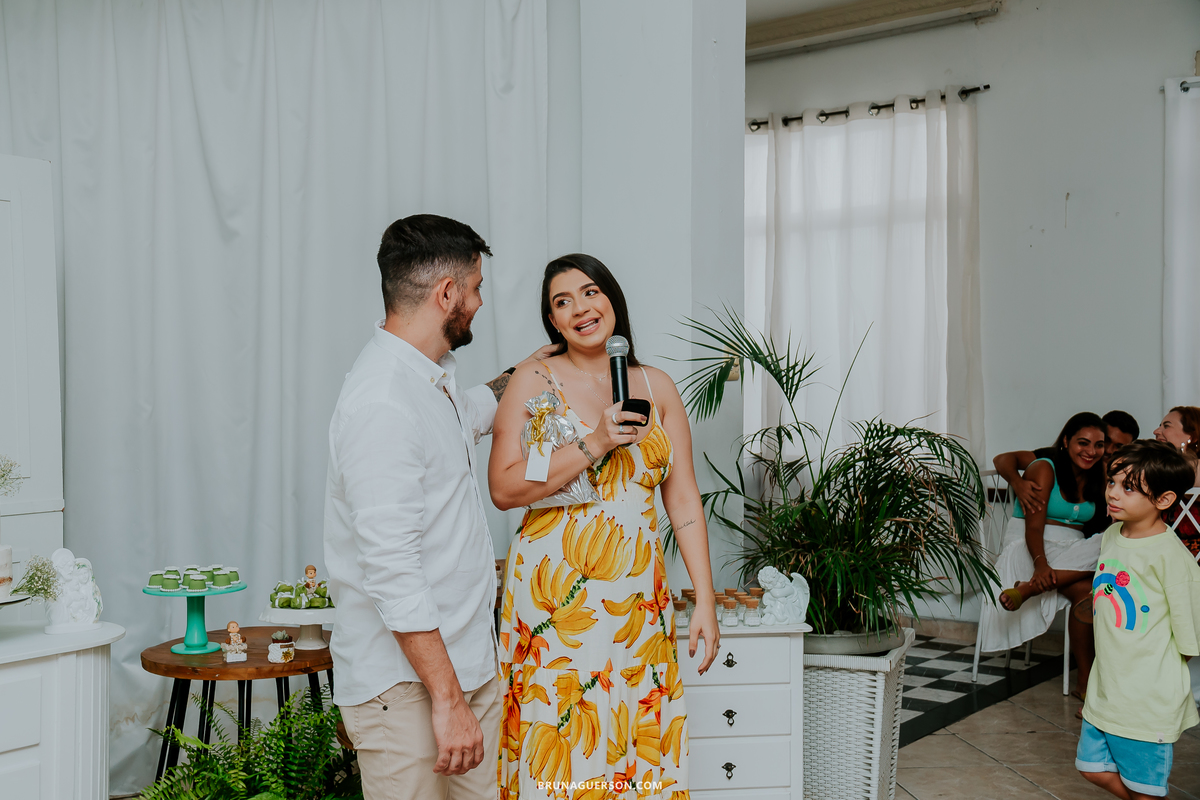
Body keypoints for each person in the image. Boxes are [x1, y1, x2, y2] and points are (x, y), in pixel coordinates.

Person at [322, 214, 554, 800]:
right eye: (475, 288)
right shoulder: (382, 402)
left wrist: (530, 370)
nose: (479, 302)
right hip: (408, 690)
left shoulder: (428, 380)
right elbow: (391, 570)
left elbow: (468, 415)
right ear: (447, 293)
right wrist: (447, 700)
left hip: (466, 668)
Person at [488, 254, 720, 799]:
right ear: (553, 321)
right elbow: (504, 487)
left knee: (634, 735)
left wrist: (705, 598)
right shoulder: (534, 381)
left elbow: (682, 497)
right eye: (562, 302)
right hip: (556, 603)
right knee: (564, 731)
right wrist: (594, 442)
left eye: (590, 292)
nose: (580, 309)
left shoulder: (656, 386)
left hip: (637, 604)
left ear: (611, 298)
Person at [1077, 440, 1200, 799]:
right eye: (1112, 482)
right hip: (1108, 685)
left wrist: (1157, 674)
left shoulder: (1170, 556)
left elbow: (1190, 630)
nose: (1113, 493)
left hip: (1146, 696)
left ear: (1163, 499)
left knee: (1144, 789)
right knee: (1091, 767)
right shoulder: (1112, 535)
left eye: (1128, 488)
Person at [978, 412, 1108, 696]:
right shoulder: (1044, 468)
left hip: (1072, 553)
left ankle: (1029, 589)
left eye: (1099, 445)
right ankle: (1086, 682)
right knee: (1090, 585)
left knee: (1109, 546)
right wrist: (1040, 564)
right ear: (1066, 441)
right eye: (1083, 443)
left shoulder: (1100, 474)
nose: (1091, 451)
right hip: (1032, 547)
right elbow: (1034, 529)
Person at [995, 410, 1138, 518]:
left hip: (1095, 543)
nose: (1109, 450)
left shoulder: (1126, 475)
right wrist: (1017, 483)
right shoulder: (1056, 457)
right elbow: (1002, 459)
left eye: (1119, 447)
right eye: (1105, 441)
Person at [1154, 406, 1200, 556]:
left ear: (1192, 436)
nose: (1156, 431)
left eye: (1166, 426)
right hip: (1160, 551)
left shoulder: (1196, 467)